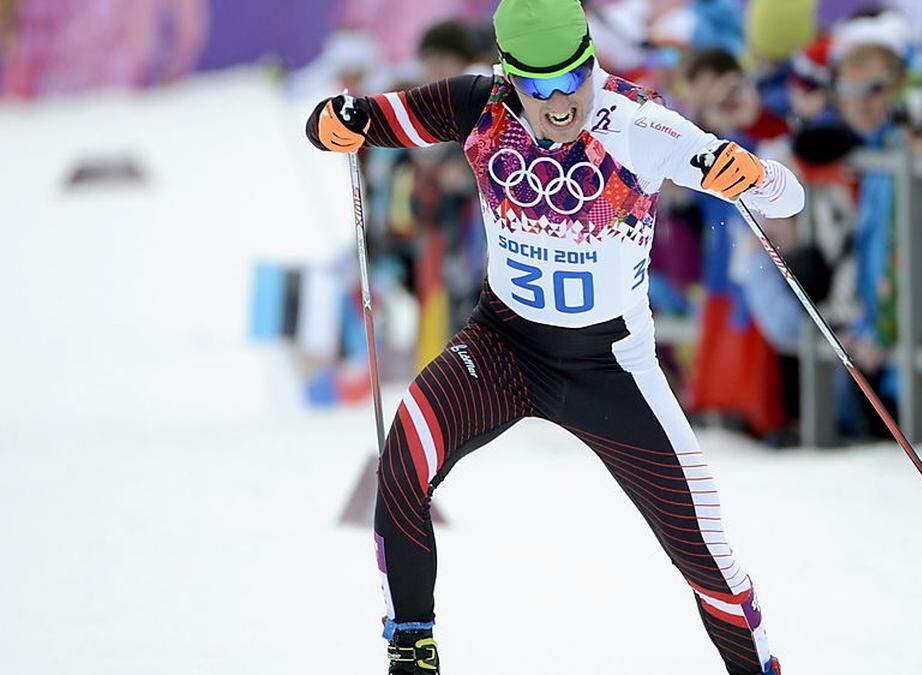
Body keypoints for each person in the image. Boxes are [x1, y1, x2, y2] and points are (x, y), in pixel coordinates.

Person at [305, 1, 805, 673]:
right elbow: (355, 119)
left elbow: (788, 198)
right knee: (401, 464)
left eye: (574, 77)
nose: (561, 100)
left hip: (611, 367)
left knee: (705, 552)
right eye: (537, 87)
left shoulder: (639, 124)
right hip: (503, 346)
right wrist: (332, 123)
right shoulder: (478, 104)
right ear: (509, 78)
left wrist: (754, 177)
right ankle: (411, 649)